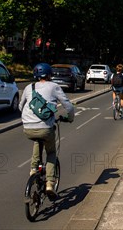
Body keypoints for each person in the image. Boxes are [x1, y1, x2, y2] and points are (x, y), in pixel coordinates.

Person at [19, 62, 75, 198]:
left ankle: (33, 169)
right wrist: (70, 118)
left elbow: (21, 106)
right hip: (45, 128)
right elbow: (68, 105)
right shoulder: (54, 86)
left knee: (37, 140)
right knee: (51, 152)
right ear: (50, 75)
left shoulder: (28, 87)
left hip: (27, 127)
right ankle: (50, 182)